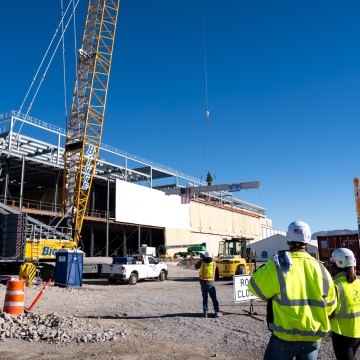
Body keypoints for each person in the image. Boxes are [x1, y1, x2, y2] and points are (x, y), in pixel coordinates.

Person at [248, 220, 337, 360]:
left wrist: (267, 266)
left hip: (285, 337)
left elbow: (254, 288)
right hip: (313, 337)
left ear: (288, 240)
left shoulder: (278, 266)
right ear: (307, 241)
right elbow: (331, 306)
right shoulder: (322, 269)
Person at [329, 248, 360, 360]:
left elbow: (328, 312)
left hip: (342, 334)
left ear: (335, 264)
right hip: (357, 331)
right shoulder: (358, 282)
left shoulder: (335, 285)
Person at [195, 251, 220, 318]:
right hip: (211, 283)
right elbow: (216, 272)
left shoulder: (202, 262)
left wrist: (201, 259)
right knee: (214, 298)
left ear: (204, 256)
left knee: (205, 298)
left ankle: (205, 313)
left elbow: (195, 266)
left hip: (203, 283)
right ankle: (216, 312)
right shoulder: (214, 263)